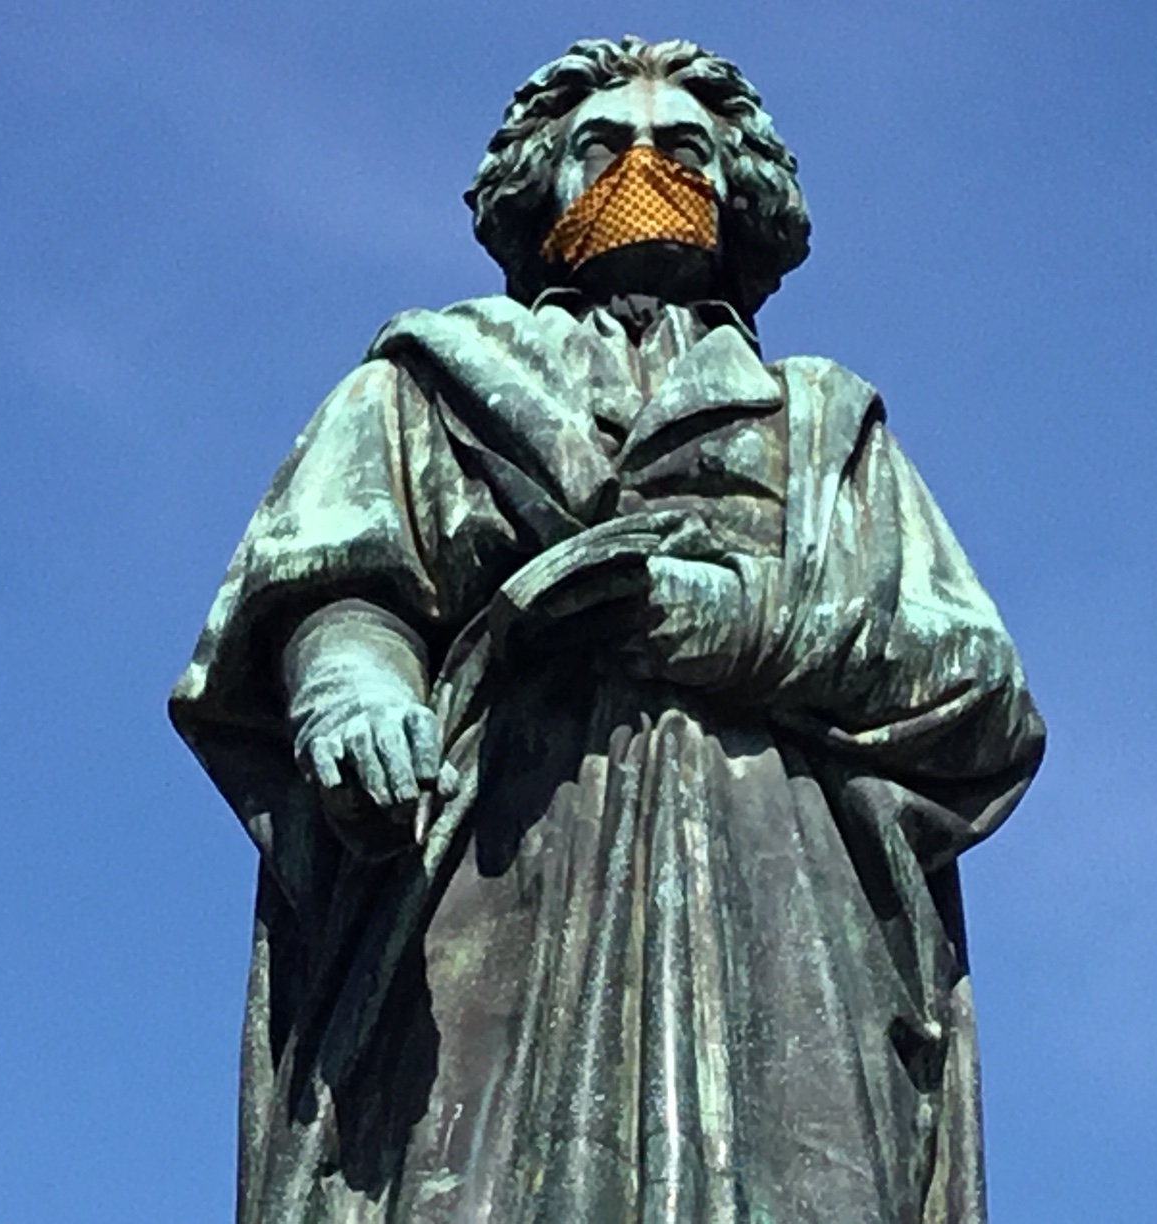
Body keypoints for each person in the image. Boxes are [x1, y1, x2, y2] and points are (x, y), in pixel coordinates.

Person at [171, 35, 1045, 1224]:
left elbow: (978, 690)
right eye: (605, 145)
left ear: (740, 193)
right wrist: (352, 689)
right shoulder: (429, 381)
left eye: (685, 148)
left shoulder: (823, 426)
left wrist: (728, 621)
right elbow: (334, 578)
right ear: (543, 185)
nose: (648, 168)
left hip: (778, 910)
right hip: (502, 874)